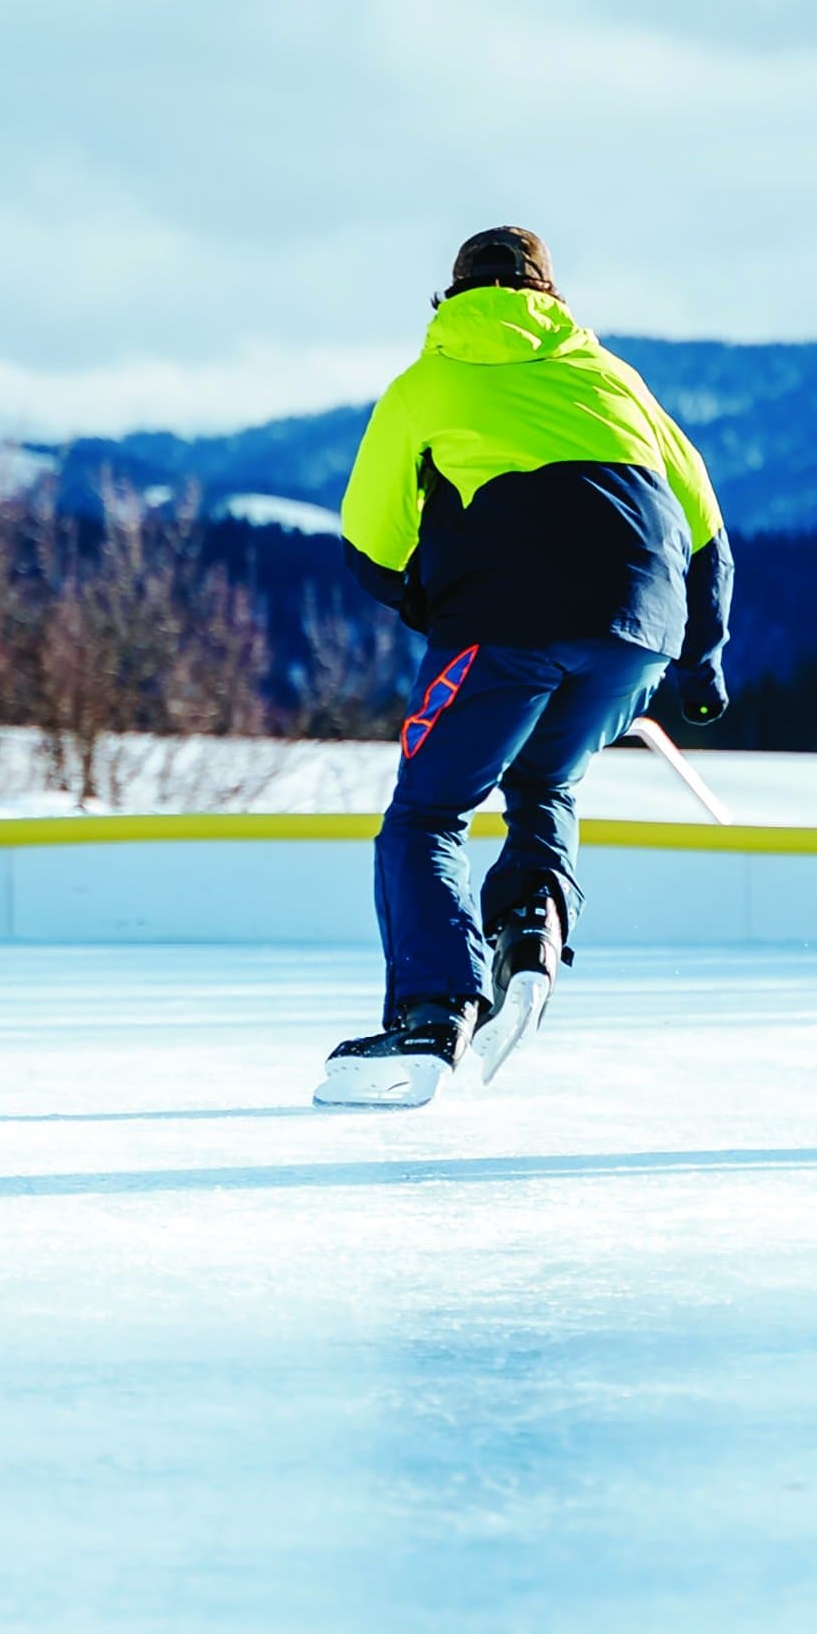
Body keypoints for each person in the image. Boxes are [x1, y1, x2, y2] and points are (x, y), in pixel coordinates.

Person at [318, 227, 733, 1107]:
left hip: (502, 630)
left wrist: (438, 607)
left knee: (428, 814)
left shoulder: (427, 382)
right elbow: (706, 532)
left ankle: (432, 1014)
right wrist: (703, 660)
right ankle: (530, 933)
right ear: (551, 297)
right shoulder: (616, 379)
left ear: (452, 298)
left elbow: (367, 542)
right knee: (544, 782)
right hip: (639, 633)